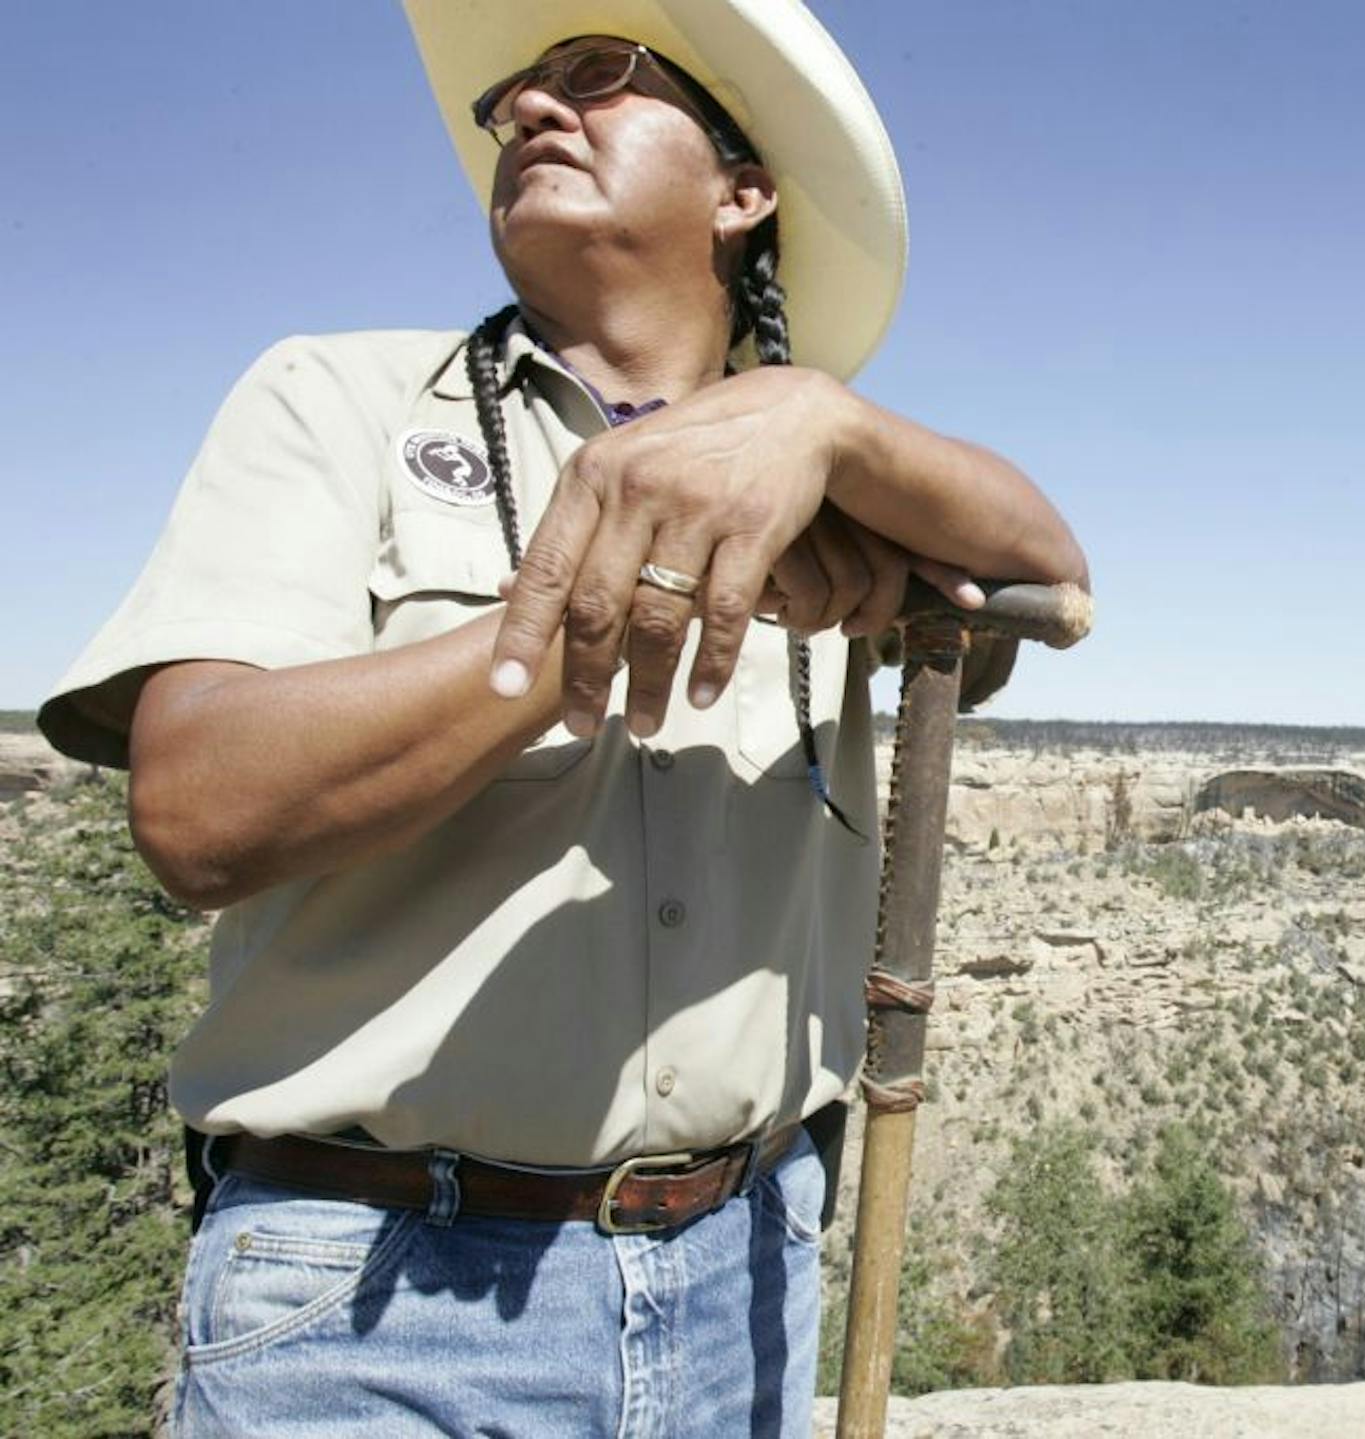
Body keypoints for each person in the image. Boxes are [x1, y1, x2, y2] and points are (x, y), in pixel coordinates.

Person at [35, 3, 1087, 1433]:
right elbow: (198, 811)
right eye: (511, 101)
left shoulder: (836, 480)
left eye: (596, 78)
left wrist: (818, 425)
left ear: (743, 191)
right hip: (373, 1298)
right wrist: (591, 603)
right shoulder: (334, 399)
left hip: (748, 1269)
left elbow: (1051, 571)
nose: (528, 109)